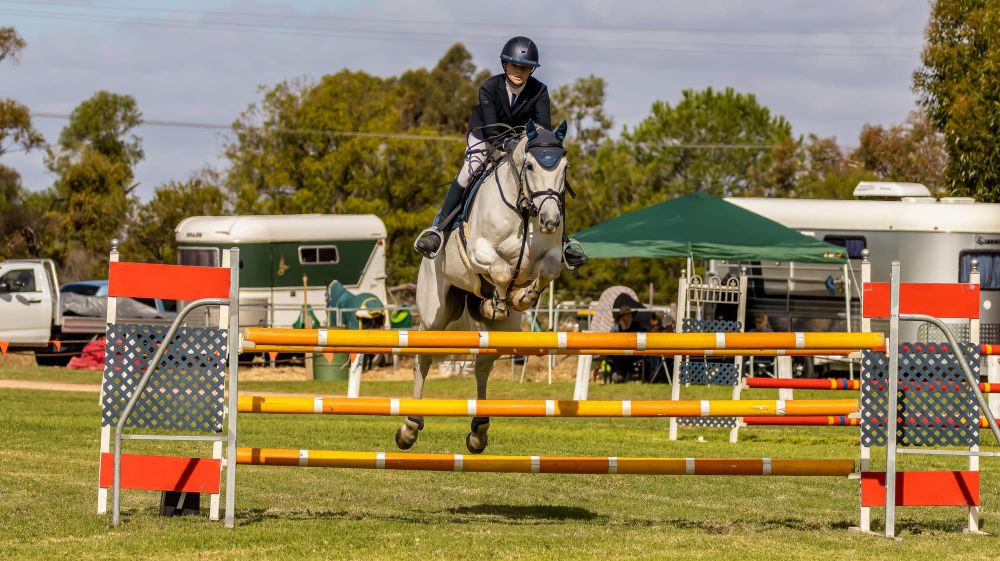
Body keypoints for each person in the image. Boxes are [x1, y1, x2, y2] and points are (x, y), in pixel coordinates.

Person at [412, 36, 588, 269]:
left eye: (525, 67)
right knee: (470, 169)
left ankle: (563, 241)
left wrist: (528, 148)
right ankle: (438, 230)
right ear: (505, 64)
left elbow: (542, 130)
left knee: (549, 178)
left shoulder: (539, 91)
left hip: (522, 142)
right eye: (515, 65)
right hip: (485, 136)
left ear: (532, 70)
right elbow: (492, 130)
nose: (519, 71)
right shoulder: (489, 87)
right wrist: (507, 145)